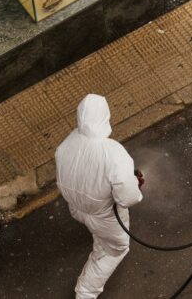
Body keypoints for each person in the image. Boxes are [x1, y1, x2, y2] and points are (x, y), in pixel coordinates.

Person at [55, 94, 144, 298]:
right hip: (103, 216)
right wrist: (133, 187)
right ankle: (85, 292)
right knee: (116, 249)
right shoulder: (113, 153)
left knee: (98, 232)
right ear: (106, 117)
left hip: (77, 208)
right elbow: (128, 198)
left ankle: (99, 237)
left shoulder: (67, 143)